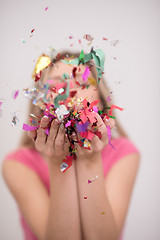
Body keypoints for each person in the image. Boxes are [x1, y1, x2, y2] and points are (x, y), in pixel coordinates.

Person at [2, 49, 140, 240]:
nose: (68, 91)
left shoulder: (124, 153)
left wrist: (90, 161)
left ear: (100, 101)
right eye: (57, 83)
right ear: (40, 101)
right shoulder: (17, 164)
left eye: (82, 82)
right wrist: (59, 162)